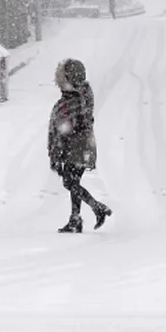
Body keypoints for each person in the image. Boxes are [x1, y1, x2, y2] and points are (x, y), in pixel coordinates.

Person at [48, 58, 112, 233]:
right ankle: (75, 219)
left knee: (70, 182)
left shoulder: (75, 98)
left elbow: (70, 124)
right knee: (73, 181)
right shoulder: (82, 93)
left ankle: (97, 208)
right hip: (82, 144)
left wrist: (60, 147)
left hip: (75, 145)